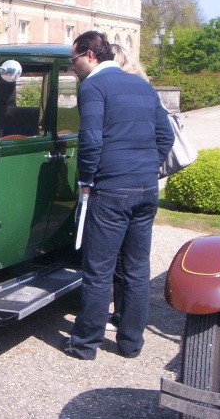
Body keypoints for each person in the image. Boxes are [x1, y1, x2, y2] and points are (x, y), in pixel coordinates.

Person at [64, 30, 174, 360]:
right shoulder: (141, 84)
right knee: (137, 269)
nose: (72, 68)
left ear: (89, 55)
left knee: (99, 269)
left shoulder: (94, 86)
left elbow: (91, 140)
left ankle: (85, 345)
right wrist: (146, 166)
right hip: (145, 189)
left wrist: (87, 180)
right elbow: (165, 135)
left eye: (73, 61)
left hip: (111, 189)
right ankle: (130, 344)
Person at [108, 43, 149, 330]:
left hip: (118, 181)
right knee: (135, 262)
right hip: (143, 181)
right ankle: (131, 330)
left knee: (115, 258)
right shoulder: (143, 84)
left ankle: (118, 316)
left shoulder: (119, 86)